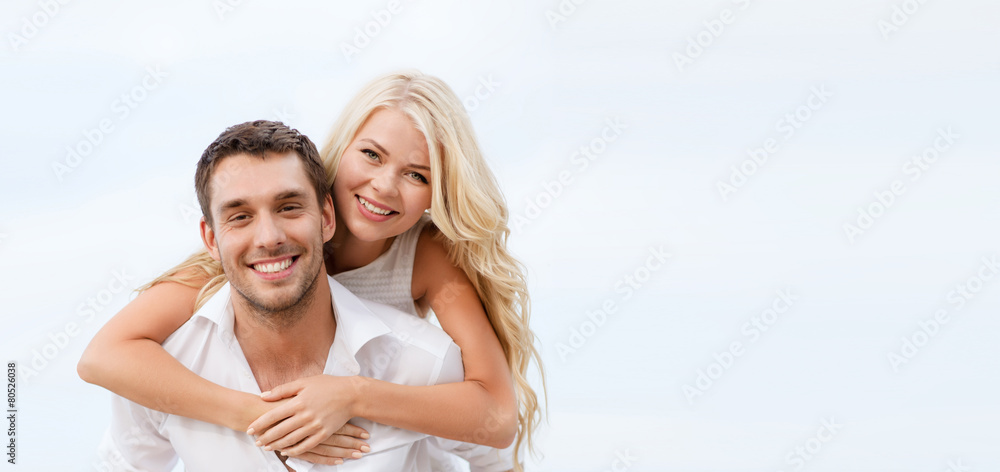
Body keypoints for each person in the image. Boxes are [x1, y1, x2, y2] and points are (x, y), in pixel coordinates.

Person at [79, 71, 544, 469]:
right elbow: (103, 355)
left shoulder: (423, 258)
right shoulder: (243, 260)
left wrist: (352, 396)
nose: (384, 186)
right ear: (340, 152)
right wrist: (260, 416)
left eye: (418, 175)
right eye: (372, 155)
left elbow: (497, 417)